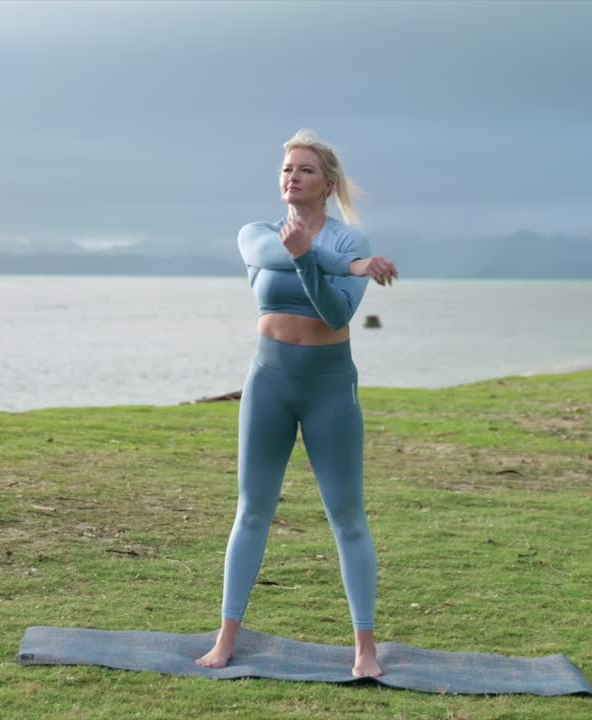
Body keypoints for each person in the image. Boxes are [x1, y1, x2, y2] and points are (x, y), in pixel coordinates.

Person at [195, 129, 399, 678]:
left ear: (327, 184)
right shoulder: (256, 234)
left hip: (330, 385)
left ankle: (365, 648)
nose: (292, 177)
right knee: (253, 510)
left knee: (348, 518)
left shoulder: (351, 239)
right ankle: (226, 636)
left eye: (305, 170)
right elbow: (274, 254)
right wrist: (348, 267)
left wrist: (319, 261)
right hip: (269, 381)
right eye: (287, 169)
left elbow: (335, 316)